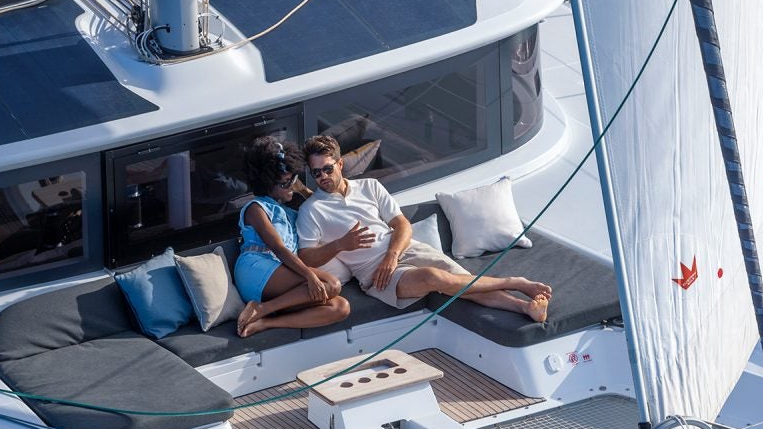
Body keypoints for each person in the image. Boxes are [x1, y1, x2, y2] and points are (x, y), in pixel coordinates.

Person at [295, 134, 550, 321]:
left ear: (340, 164)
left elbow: (401, 224)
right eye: (316, 173)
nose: (323, 177)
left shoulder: (370, 186)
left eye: (327, 169)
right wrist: (341, 245)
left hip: (403, 250)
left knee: (461, 281)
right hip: (375, 275)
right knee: (436, 278)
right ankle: (515, 281)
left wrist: (392, 256)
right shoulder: (312, 210)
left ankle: (524, 307)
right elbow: (306, 256)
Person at [233, 137, 349, 337]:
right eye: (285, 183)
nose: (290, 186)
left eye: (293, 178)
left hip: (281, 274)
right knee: (332, 284)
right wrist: (309, 276)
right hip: (256, 267)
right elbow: (278, 248)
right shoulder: (256, 208)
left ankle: (266, 321)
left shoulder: (290, 212)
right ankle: (261, 308)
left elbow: (321, 205)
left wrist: (301, 188)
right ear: (267, 184)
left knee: (340, 307)